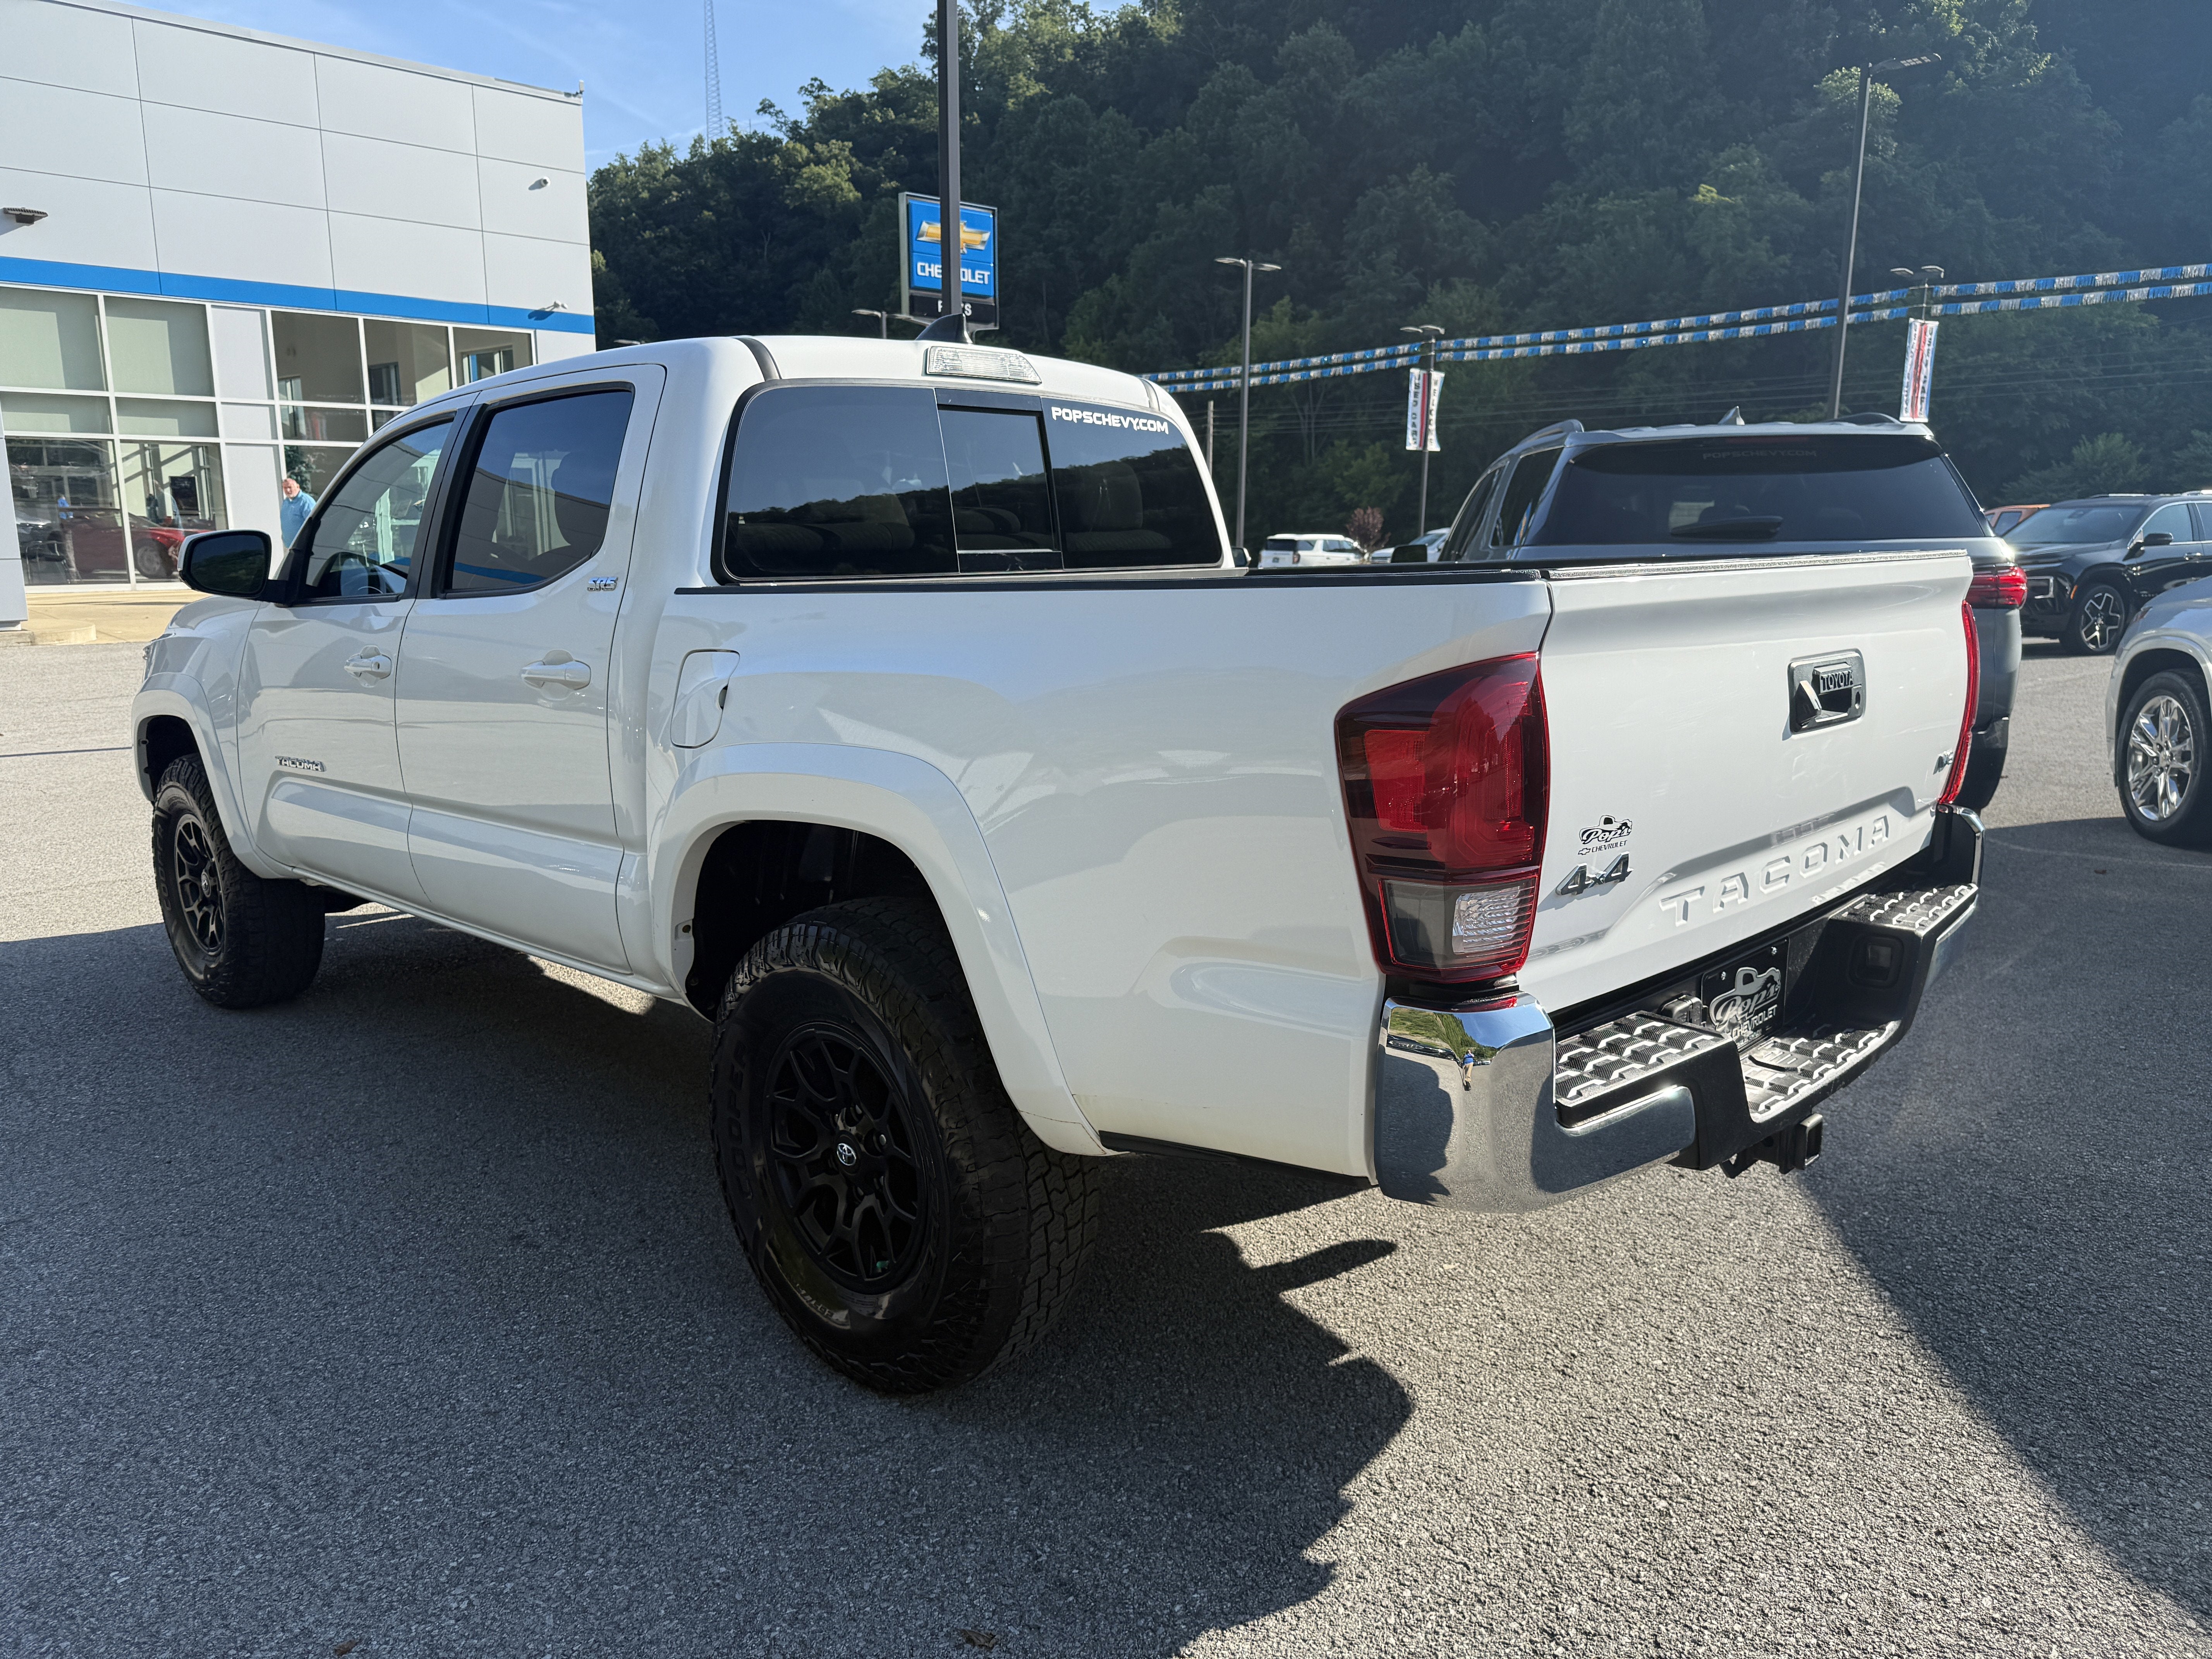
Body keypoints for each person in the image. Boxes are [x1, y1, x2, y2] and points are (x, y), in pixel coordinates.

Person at [279, 474, 316, 547]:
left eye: (290, 487)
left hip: (303, 547)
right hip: (289, 546)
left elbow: (314, 523)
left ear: (298, 487)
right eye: (285, 488)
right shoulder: (286, 502)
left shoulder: (306, 502)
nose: (288, 490)